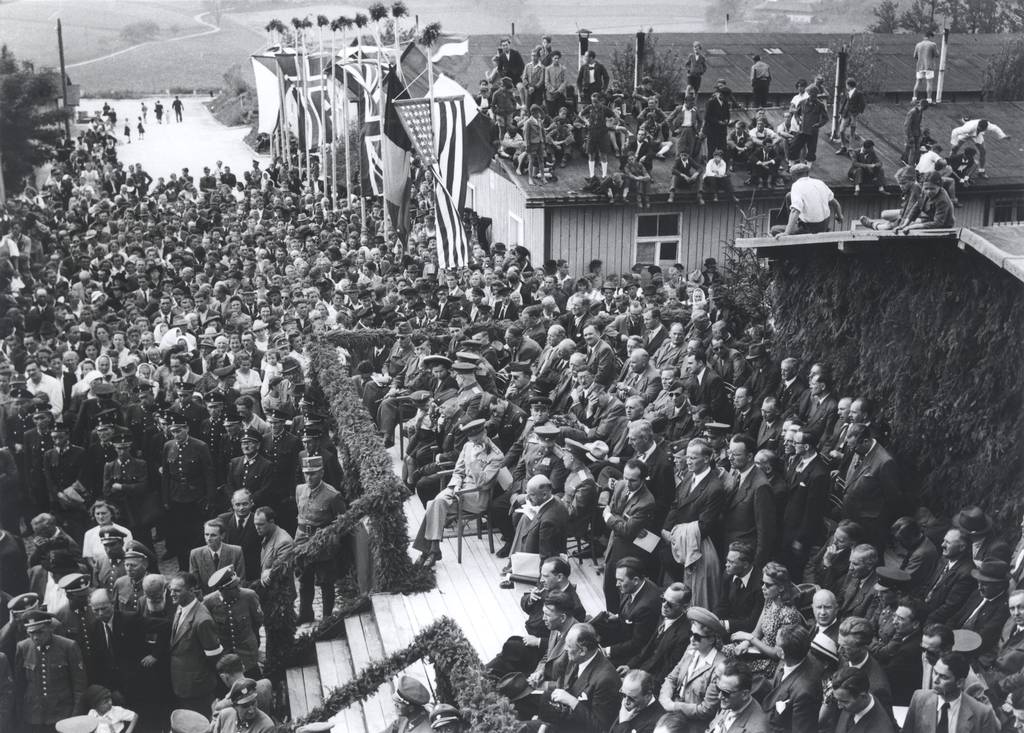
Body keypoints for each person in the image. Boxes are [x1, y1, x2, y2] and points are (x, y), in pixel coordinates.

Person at [14, 609, 87, 732]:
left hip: (63, 715)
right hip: (33, 716)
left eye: (40, 632)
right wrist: (20, 714)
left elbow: (79, 686)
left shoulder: (68, 646)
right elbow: (20, 685)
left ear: (50, 628)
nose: (36, 637)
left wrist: (75, 716)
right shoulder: (23, 647)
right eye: (31, 633)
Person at [657, 606, 729, 731]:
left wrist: (674, 706)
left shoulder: (719, 667)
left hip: (694, 723)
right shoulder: (691, 650)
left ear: (711, 639)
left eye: (697, 636)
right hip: (673, 712)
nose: (691, 639)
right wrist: (665, 699)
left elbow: (706, 709)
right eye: (690, 634)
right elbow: (672, 678)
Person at [294, 455, 345, 622]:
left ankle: (327, 617)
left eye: (313, 473)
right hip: (303, 541)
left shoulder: (332, 495)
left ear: (322, 473)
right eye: (306, 473)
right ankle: (305, 614)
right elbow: (301, 515)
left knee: (325, 582)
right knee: (304, 580)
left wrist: (330, 540)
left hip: (323, 544)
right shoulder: (300, 490)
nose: (309, 477)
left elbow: (341, 522)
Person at [167, 571, 223, 715]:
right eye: (170, 590)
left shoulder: (202, 620)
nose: (172, 594)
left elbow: (214, 657)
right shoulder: (181, 607)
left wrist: (200, 679)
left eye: (177, 591)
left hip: (197, 689)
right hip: (182, 686)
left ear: (192, 591)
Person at [902, 652, 999, 733]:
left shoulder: (982, 713)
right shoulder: (919, 698)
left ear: (959, 683)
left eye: (943, 677)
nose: (935, 680)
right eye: (935, 673)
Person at [772, 163, 844, 236]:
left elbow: (795, 211)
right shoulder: (819, 183)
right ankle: (794, 224)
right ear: (807, 173)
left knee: (774, 230)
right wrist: (839, 216)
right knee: (789, 196)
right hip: (824, 225)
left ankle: (791, 226)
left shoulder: (797, 186)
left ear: (793, 176)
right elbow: (835, 203)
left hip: (809, 228)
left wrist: (786, 232)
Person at [210, 678, 275, 733]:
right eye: (245, 706)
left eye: (253, 703)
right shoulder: (224, 715)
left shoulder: (266, 727)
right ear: (235, 706)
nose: (251, 710)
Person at [913, 30, 939, 103]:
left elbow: (915, 56)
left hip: (919, 66)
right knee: (929, 82)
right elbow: (937, 54)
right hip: (929, 66)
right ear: (930, 36)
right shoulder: (932, 44)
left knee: (918, 82)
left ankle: (914, 98)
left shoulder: (918, 44)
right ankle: (929, 99)